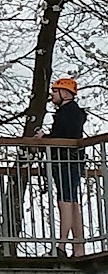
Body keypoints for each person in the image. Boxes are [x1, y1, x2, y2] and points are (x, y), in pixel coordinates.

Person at [35, 78, 87, 258]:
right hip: (72, 160)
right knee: (72, 202)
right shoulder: (74, 112)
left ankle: (62, 246)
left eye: (55, 91)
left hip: (64, 160)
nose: (52, 95)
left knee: (65, 201)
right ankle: (78, 247)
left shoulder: (66, 113)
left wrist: (45, 139)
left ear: (65, 94)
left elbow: (63, 136)